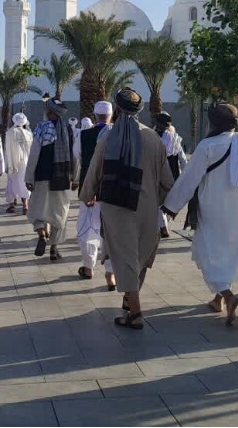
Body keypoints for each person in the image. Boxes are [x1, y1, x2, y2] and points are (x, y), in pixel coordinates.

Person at [79, 88, 174, 329]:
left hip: (117, 207)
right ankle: (130, 300)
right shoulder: (153, 138)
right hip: (146, 208)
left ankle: (136, 314)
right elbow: (167, 180)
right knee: (139, 255)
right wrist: (161, 201)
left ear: (117, 109)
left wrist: (87, 195)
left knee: (124, 257)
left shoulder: (108, 138)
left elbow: (94, 170)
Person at [162, 103, 238, 326]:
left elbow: (189, 178)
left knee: (207, 252)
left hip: (212, 209)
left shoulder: (208, 146)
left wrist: (171, 206)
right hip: (236, 209)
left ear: (213, 123)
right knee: (229, 253)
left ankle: (228, 296)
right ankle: (218, 299)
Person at [25, 97, 77, 262]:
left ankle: (42, 234)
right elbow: (74, 155)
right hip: (61, 178)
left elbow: (34, 154)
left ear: (49, 112)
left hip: (42, 176)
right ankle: (54, 249)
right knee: (60, 213)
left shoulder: (42, 128)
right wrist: (75, 177)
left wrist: (29, 177)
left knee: (38, 209)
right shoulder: (68, 130)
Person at [74, 100, 115, 288]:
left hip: (89, 189)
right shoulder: (117, 135)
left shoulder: (83, 135)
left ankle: (89, 267)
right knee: (111, 232)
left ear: (95, 116)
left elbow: (77, 155)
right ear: (111, 116)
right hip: (111, 190)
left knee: (87, 229)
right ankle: (110, 273)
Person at [153, 111, 187, 238]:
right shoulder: (175, 138)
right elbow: (183, 159)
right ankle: (164, 224)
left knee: (158, 202)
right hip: (174, 175)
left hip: (158, 175)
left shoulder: (154, 137)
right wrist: (184, 176)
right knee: (168, 201)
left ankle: (163, 226)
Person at [4, 113, 33, 215]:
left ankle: (11, 205)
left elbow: (7, 150)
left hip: (13, 163)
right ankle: (25, 205)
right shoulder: (29, 134)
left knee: (11, 183)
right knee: (25, 183)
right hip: (26, 163)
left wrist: (6, 164)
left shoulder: (10, 133)